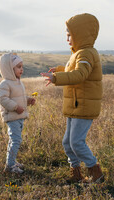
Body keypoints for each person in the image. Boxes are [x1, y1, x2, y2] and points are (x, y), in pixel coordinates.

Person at [40, 13, 104, 183]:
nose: (67, 38)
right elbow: (73, 71)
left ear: (81, 35)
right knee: (67, 142)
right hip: (75, 105)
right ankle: (76, 173)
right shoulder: (78, 54)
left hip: (83, 105)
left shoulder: (87, 54)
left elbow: (80, 74)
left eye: (70, 34)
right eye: (67, 34)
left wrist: (56, 79)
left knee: (76, 142)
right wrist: (60, 70)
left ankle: (95, 172)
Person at [0, 53, 36, 174]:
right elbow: (3, 99)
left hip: (19, 117)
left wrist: (28, 100)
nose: (21, 69)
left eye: (22, 66)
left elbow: (20, 97)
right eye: (18, 67)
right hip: (12, 117)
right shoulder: (4, 84)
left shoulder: (18, 83)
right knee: (16, 140)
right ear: (9, 69)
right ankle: (10, 167)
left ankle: (11, 161)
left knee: (14, 140)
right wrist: (15, 107)